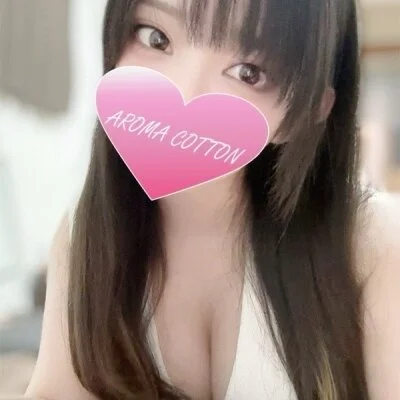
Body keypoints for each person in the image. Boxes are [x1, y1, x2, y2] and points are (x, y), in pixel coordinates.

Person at [25, 0, 400, 399]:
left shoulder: (372, 245)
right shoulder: (84, 237)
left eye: (249, 72)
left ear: (307, 112)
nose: (184, 92)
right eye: (156, 38)